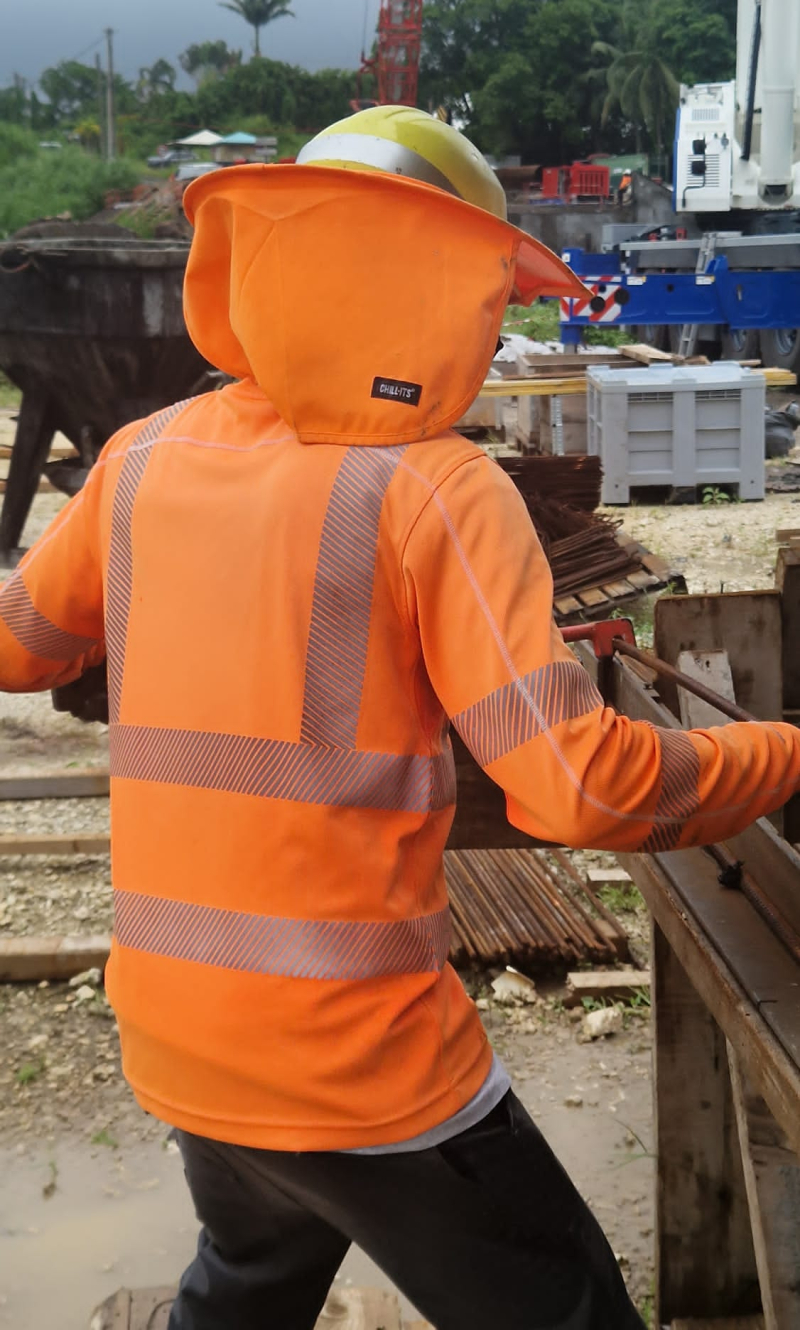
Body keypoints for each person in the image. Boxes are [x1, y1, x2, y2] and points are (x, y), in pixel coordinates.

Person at [2, 106, 800, 1330]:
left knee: (251, 1274)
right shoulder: (436, 486)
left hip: (178, 1025)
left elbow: (23, 644)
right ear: (434, 284)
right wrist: (777, 750)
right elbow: (578, 788)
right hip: (359, 1064)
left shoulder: (142, 457)